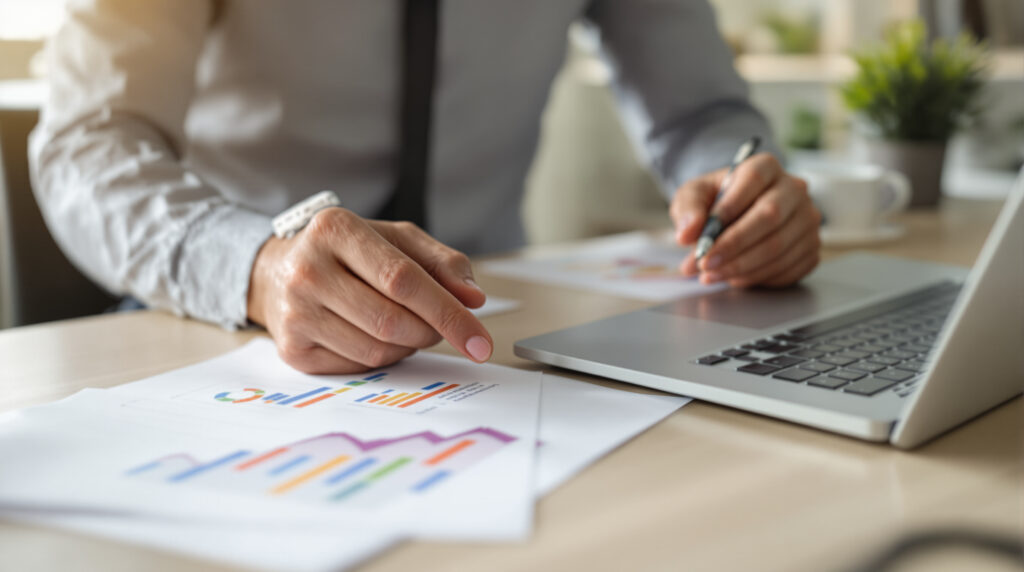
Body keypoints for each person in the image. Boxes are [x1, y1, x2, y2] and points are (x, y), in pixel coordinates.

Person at [30, 1, 820, 375]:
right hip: (220, 320)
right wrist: (259, 267)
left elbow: (704, 111)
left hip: (494, 338)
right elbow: (86, 142)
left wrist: (736, 177)